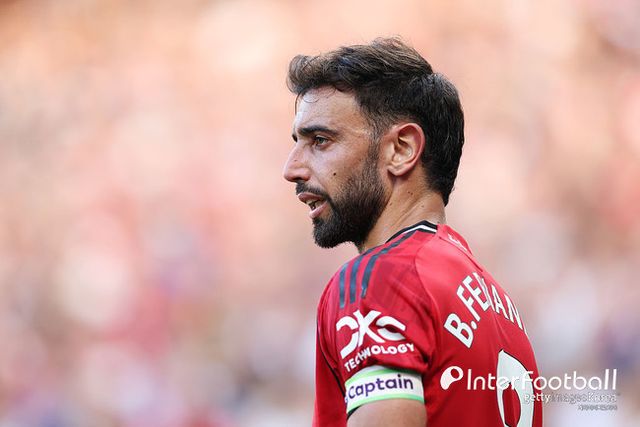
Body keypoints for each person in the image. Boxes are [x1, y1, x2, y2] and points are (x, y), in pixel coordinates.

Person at [283, 37, 542, 427]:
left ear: (402, 149)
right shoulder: (499, 307)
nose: (292, 169)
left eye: (320, 141)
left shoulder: (381, 279)